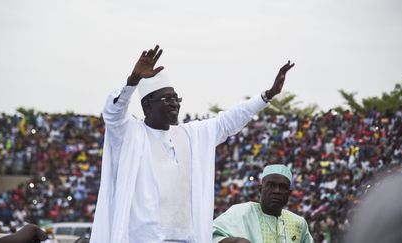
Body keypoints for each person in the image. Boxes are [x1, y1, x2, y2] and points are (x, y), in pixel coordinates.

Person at [90, 45, 294, 243]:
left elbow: (228, 121)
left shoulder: (190, 135)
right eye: (166, 98)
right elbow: (112, 113)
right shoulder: (131, 134)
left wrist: (267, 95)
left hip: (188, 237)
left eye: (176, 98)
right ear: (147, 105)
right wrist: (132, 81)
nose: (175, 104)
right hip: (144, 238)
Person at [213, 164, 313, 243]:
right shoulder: (240, 213)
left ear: (289, 194)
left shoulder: (299, 223)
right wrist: (234, 241)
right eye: (271, 185)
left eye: (282, 187)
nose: (276, 191)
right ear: (260, 190)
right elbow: (209, 235)